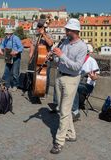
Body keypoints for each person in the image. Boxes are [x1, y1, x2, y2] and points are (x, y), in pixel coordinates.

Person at [50, 18, 87, 154]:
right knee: (61, 108)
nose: (65, 31)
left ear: (74, 31)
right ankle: (71, 134)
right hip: (60, 76)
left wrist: (62, 56)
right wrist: (54, 56)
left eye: (67, 30)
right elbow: (59, 59)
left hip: (72, 79)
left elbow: (77, 66)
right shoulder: (64, 42)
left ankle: (59, 142)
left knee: (64, 111)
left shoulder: (82, 47)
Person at [29, 19, 54, 99]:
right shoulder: (36, 35)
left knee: (46, 76)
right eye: (38, 27)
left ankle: (44, 92)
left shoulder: (49, 34)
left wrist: (44, 35)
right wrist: (31, 54)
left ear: (44, 28)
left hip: (46, 58)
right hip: (37, 58)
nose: (38, 28)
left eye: (40, 27)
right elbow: (33, 45)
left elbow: (50, 43)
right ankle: (37, 90)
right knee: (36, 75)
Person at [72, 53, 100, 121]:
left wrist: (93, 77)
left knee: (76, 88)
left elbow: (96, 77)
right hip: (78, 83)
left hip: (88, 85)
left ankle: (75, 111)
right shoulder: (77, 61)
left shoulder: (92, 61)